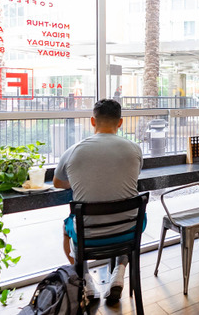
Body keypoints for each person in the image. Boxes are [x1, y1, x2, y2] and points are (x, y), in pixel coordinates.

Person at [54, 99, 143, 305]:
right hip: (127, 233)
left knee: (72, 223)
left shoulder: (74, 150)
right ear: (120, 123)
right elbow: (132, 176)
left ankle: (87, 281)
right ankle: (119, 274)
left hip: (89, 236)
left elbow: (58, 182)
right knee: (135, 216)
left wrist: (80, 182)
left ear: (92, 121)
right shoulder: (134, 149)